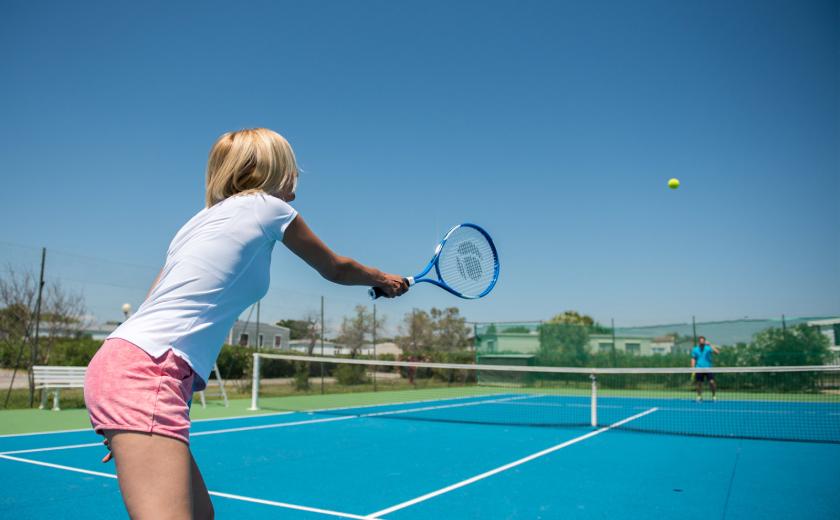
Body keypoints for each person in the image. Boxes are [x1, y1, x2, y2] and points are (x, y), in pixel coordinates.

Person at [83, 128, 409, 520]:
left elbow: (153, 308)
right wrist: (383, 279)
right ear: (269, 170)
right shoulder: (268, 207)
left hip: (130, 366)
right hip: (147, 372)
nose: (296, 180)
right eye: (291, 169)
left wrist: (129, 407)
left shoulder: (196, 224)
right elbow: (335, 268)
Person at [690, 336, 720, 402]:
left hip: (708, 368)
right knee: (699, 383)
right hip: (699, 368)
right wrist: (693, 368)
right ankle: (699, 396)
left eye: (703, 343)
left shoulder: (708, 348)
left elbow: (717, 352)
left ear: (705, 342)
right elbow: (693, 359)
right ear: (699, 342)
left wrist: (710, 345)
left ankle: (714, 396)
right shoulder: (695, 349)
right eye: (701, 343)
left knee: (711, 382)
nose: (702, 344)